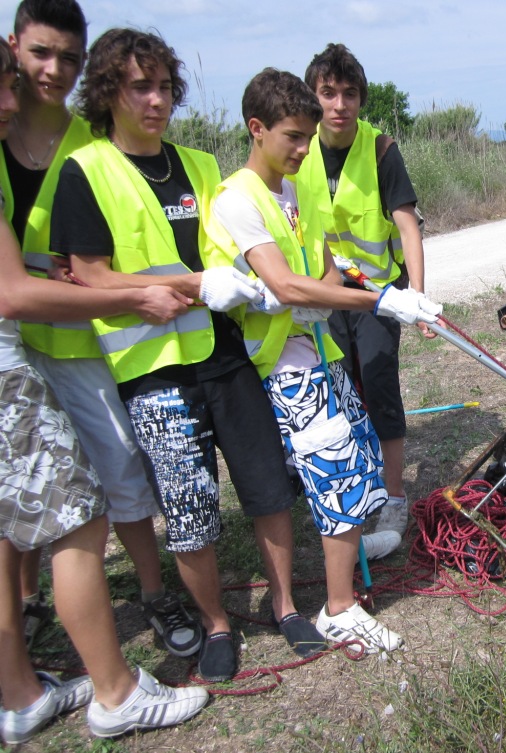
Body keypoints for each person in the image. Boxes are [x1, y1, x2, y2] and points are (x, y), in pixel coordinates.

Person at [49, 28, 326, 681]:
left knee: (265, 483)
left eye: (166, 87)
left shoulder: (201, 166)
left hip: (223, 351)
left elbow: (233, 253)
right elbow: (87, 277)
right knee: (190, 507)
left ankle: (287, 607)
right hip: (152, 371)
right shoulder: (84, 171)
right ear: (108, 92)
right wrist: (188, 284)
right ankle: (217, 625)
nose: (156, 100)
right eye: (139, 87)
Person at [0, 38, 209, 742]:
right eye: (33, 58)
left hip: (86, 344)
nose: (38, 79)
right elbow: (19, 289)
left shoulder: (92, 143)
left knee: (88, 484)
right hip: (31, 343)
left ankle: (36, 675)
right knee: (69, 509)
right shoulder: (54, 149)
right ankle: (97, 679)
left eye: (65, 55)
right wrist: (112, 292)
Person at [208, 68, 441, 650]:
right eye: (292, 136)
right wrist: (378, 297)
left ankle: (356, 552)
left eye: (308, 138)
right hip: (282, 364)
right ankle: (338, 607)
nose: (303, 149)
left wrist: (357, 291)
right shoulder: (238, 199)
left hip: (322, 348)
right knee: (333, 470)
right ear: (256, 129)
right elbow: (286, 286)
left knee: (359, 455)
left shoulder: (294, 190)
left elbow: (324, 270)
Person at [293, 43, 434, 559]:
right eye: (327, 93)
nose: (339, 104)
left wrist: (415, 297)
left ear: (361, 99)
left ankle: (394, 497)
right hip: (323, 295)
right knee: (336, 391)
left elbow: (407, 226)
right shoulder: (297, 147)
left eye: (349, 94)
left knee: (377, 387)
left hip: (377, 296)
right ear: (313, 97)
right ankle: (353, 490)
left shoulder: (379, 149)